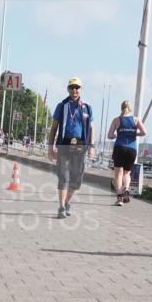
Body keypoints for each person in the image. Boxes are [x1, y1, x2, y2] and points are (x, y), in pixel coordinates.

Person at [47, 78, 94, 218]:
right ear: (68, 89)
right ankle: (61, 207)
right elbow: (54, 127)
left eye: (77, 87)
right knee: (63, 177)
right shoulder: (62, 106)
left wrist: (92, 146)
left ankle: (67, 202)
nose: (75, 90)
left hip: (80, 147)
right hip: (64, 145)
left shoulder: (86, 107)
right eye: (72, 87)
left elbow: (91, 128)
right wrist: (50, 148)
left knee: (76, 180)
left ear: (80, 89)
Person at [107, 100, 147, 206]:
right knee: (127, 173)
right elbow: (144, 132)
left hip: (119, 147)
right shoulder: (136, 120)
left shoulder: (116, 120)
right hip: (131, 149)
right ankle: (126, 189)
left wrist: (117, 135)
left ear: (121, 108)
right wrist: (134, 134)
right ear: (130, 109)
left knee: (118, 174)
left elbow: (109, 135)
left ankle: (119, 198)